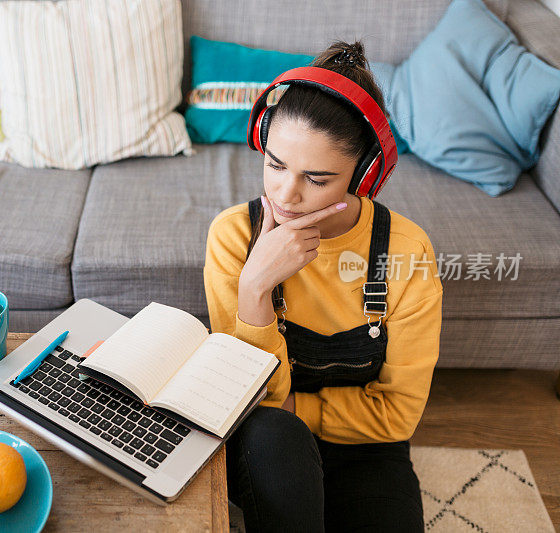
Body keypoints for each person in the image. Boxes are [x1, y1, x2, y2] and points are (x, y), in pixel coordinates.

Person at [203, 40, 443, 532]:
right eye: (275, 165)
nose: (286, 195)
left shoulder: (406, 251)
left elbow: (397, 415)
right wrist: (254, 290)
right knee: (273, 434)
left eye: (316, 178)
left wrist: (299, 406)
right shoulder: (233, 236)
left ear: (364, 174)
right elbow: (247, 404)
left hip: (367, 450)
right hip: (267, 440)